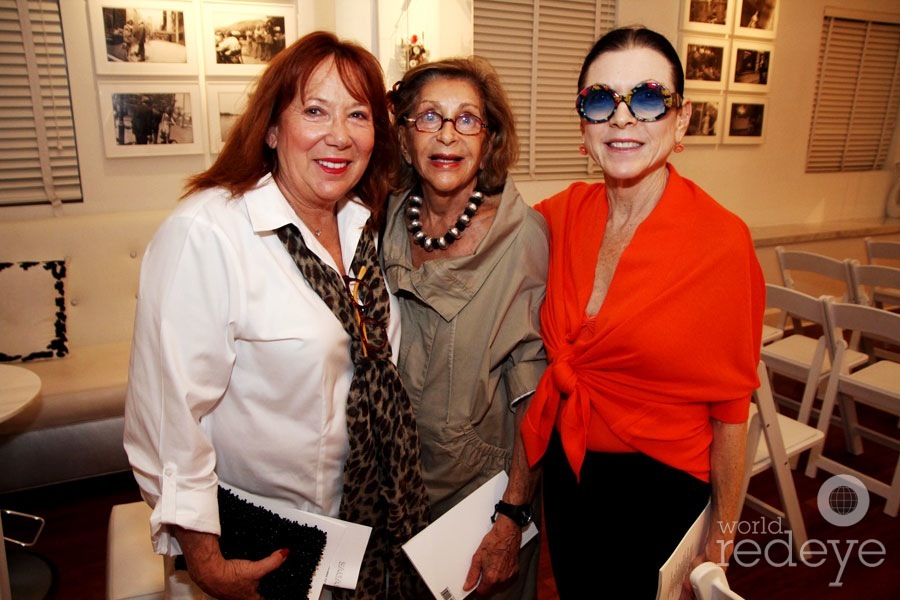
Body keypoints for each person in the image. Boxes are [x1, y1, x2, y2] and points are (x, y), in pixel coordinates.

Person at [124, 31, 431, 600]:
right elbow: (167, 415)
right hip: (269, 541)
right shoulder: (209, 232)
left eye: (358, 115)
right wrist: (207, 562)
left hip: (366, 528)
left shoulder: (363, 227)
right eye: (314, 110)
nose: (338, 135)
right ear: (271, 128)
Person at [519, 26, 764, 599]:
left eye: (648, 99)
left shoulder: (722, 242)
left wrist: (721, 543)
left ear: (681, 122)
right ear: (583, 125)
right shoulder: (558, 217)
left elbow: (732, 414)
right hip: (568, 473)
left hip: (662, 491)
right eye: (601, 100)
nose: (622, 119)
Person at [382, 57, 549, 599]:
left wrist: (510, 516)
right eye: (428, 117)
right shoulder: (384, 217)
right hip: (389, 486)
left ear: (489, 140)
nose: (447, 135)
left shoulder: (523, 240)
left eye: (467, 120)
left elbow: (535, 398)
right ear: (405, 138)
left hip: (478, 496)